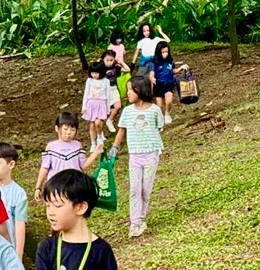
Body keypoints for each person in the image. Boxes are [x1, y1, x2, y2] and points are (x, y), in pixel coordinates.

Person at [109, 75, 164, 238]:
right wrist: (114, 147)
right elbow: (121, 130)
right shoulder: (126, 111)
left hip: (151, 154)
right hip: (135, 156)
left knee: (145, 190)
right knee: (134, 189)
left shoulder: (154, 110)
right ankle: (135, 223)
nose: (127, 94)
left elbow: (159, 127)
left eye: (130, 90)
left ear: (140, 90)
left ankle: (141, 218)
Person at [34, 112, 103, 202]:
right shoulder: (51, 147)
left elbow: (82, 165)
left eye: (72, 130)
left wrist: (96, 152)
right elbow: (44, 168)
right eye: (65, 129)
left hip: (74, 186)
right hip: (55, 187)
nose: (69, 133)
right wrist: (38, 187)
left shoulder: (78, 145)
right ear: (57, 129)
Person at [0, 142, 28, 261]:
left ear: (11, 164)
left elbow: (20, 223)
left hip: (8, 246)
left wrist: (19, 253)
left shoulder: (19, 193)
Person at [149, 42, 190, 126]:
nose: (165, 54)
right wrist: (152, 78)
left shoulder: (170, 61)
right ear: (159, 52)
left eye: (166, 52)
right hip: (158, 85)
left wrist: (181, 68)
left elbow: (173, 71)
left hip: (169, 84)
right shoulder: (154, 61)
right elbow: (151, 72)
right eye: (163, 52)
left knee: (169, 101)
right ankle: (159, 121)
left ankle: (167, 114)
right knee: (159, 106)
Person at [81, 61, 110, 150]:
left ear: (101, 72)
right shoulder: (89, 80)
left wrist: (108, 108)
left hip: (101, 104)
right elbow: (86, 94)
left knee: (98, 123)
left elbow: (108, 95)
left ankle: (99, 136)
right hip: (91, 104)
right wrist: (84, 106)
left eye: (96, 73)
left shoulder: (106, 81)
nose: (94, 75)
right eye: (92, 72)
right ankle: (93, 143)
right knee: (92, 125)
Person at [101, 50, 126, 134]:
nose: (109, 62)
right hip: (104, 91)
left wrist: (121, 62)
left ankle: (110, 120)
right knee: (104, 111)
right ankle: (100, 132)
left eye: (111, 60)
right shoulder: (100, 68)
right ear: (103, 60)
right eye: (107, 60)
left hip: (113, 89)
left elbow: (127, 69)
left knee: (118, 106)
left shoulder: (116, 67)